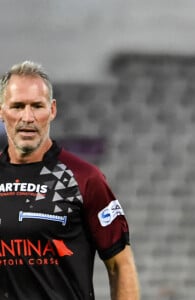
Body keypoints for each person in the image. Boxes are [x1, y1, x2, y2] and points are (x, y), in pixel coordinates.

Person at [0, 61, 140, 299]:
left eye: (37, 106)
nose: (28, 117)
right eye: (17, 106)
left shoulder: (84, 179)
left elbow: (120, 265)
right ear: (2, 111)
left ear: (52, 110)